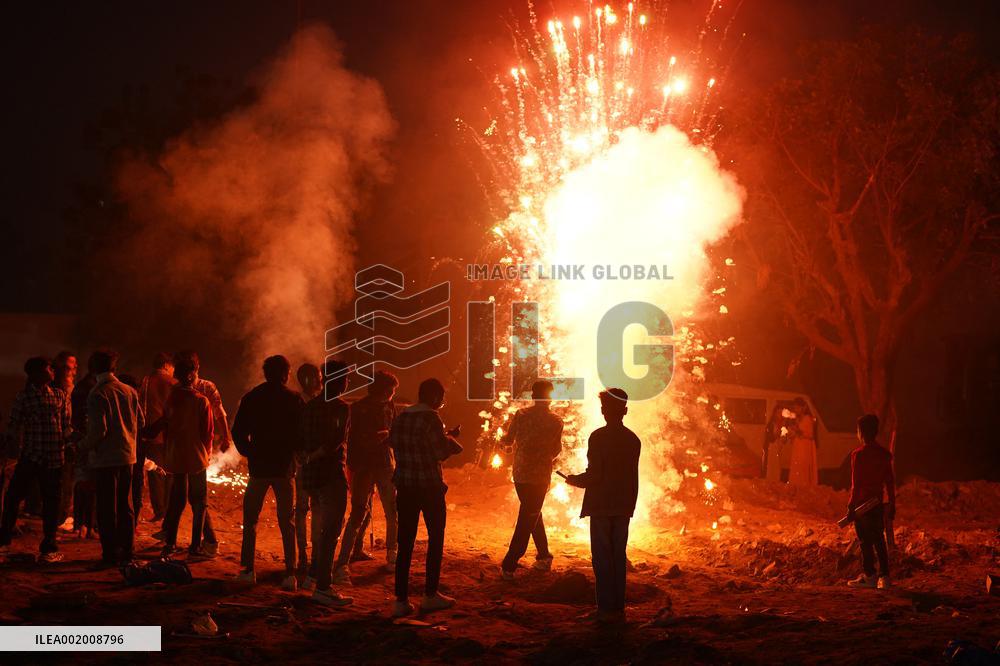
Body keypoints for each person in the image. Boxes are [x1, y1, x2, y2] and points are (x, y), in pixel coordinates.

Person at [566, 388, 641, 622]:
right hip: (623, 505)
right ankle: (617, 608)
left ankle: (605, 610)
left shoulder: (598, 437)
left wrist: (575, 480)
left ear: (602, 411)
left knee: (601, 557)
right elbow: (629, 475)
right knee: (618, 556)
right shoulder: (632, 439)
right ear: (625, 410)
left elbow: (595, 474)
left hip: (601, 505)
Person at [390, 378, 462, 618]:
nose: (442, 402)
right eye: (441, 397)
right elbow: (439, 452)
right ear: (433, 397)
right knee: (435, 539)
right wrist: (451, 443)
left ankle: (400, 600)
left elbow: (398, 444)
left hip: (405, 487)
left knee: (406, 543)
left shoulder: (401, 417)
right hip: (429, 487)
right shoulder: (431, 418)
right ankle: (430, 594)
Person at [232, 355, 303, 590]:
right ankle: (290, 573)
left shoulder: (252, 397)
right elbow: (302, 433)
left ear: (265, 373)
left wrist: (250, 452)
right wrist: (295, 454)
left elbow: (238, 431)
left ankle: (248, 570)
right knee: (287, 521)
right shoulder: (293, 399)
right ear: (285, 374)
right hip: (284, 469)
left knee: (250, 520)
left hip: (259, 468)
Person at [0, 357, 72, 562]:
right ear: (36, 374)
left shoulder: (60, 396)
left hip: (54, 458)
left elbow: (66, 427)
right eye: (48, 368)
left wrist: (76, 441)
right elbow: (14, 425)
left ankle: (49, 547)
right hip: (31, 456)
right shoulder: (24, 397)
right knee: (14, 498)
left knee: (51, 504)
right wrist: (8, 446)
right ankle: (4, 541)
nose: (52, 371)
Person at [148, 354, 218, 559]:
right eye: (195, 372)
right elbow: (208, 433)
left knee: (177, 500)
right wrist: (206, 454)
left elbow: (166, 428)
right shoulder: (201, 401)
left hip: (176, 456)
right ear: (190, 375)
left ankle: (170, 543)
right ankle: (195, 546)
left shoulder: (171, 399)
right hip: (196, 458)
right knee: (199, 501)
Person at [78, 349, 144, 567]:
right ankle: (128, 551)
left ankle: (109, 555)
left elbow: (99, 431)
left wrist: (82, 446)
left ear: (93, 369)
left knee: (107, 508)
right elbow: (141, 422)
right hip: (128, 457)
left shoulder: (98, 393)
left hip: (106, 459)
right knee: (126, 506)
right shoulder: (129, 391)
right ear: (114, 368)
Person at [333, 370, 399, 584]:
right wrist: (375, 439)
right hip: (364, 466)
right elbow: (351, 439)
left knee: (392, 510)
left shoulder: (390, 406)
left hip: (385, 464)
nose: (392, 394)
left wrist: (390, 439)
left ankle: (392, 554)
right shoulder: (358, 409)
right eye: (390, 390)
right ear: (381, 389)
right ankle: (342, 562)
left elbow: (394, 432)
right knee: (359, 512)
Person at [298, 360, 354, 606]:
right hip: (331, 475)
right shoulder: (341, 407)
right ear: (338, 380)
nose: (348, 382)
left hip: (311, 476)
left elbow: (299, 438)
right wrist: (315, 455)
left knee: (320, 526)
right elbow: (336, 441)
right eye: (346, 378)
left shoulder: (310, 406)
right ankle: (324, 587)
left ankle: (313, 575)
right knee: (331, 530)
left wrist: (306, 459)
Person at [499, 380, 563, 580]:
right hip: (540, 475)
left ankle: (536, 557)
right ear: (550, 397)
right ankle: (514, 562)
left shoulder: (522, 415)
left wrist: (504, 443)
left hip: (521, 474)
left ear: (534, 396)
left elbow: (508, 441)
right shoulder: (556, 421)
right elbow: (556, 450)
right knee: (530, 513)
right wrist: (542, 457)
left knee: (530, 512)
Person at [846, 413, 896, 590]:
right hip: (877, 503)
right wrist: (892, 504)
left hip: (861, 505)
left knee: (865, 541)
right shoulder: (884, 455)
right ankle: (885, 576)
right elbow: (889, 482)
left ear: (861, 432)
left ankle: (870, 576)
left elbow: (856, 484)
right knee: (879, 539)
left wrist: (851, 506)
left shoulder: (858, 455)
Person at [136, 352, 176, 524]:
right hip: (165, 435)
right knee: (169, 474)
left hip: (147, 434)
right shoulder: (172, 383)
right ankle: (168, 510)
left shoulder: (145, 380)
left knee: (155, 474)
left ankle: (160, 509)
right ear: (167, 366)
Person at [293, 362, 321, 579]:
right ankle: (304, 554)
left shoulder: (315, 402)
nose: (321, 382)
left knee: (311, 508)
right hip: (305, 463)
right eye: (319, 377)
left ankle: (310, 554)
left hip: (314, 461)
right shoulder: (299, 403)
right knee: (305, 509)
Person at [71, 363, 99, 540]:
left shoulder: (79, 387)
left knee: (81, 484)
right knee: (92, 486)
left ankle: (79, 524)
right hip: (90, 441)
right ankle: (90, 526)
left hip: (79, 439)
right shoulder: (95, 389)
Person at [52, 351, 78, 530]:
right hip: (52, 442)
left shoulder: (71, 387)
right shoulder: (53, 389)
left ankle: (62, 515)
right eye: (69, 367)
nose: (72, 371)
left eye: (74, 367)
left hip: (66, 441)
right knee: (57, 480)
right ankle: (56, 516)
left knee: (67, 479)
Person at [788, 398, 818, 486]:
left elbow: (810, 434)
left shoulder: (807, 418)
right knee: (797, 465)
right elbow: (796, 433)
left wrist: (798, 431)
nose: (795, 409)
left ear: (803, 408)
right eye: (794, 407)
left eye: (797, 407)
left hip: (805, 446)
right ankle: (796, 485)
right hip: (798, 445)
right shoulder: (797, 419)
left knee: (803, 466)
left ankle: (803, 486)